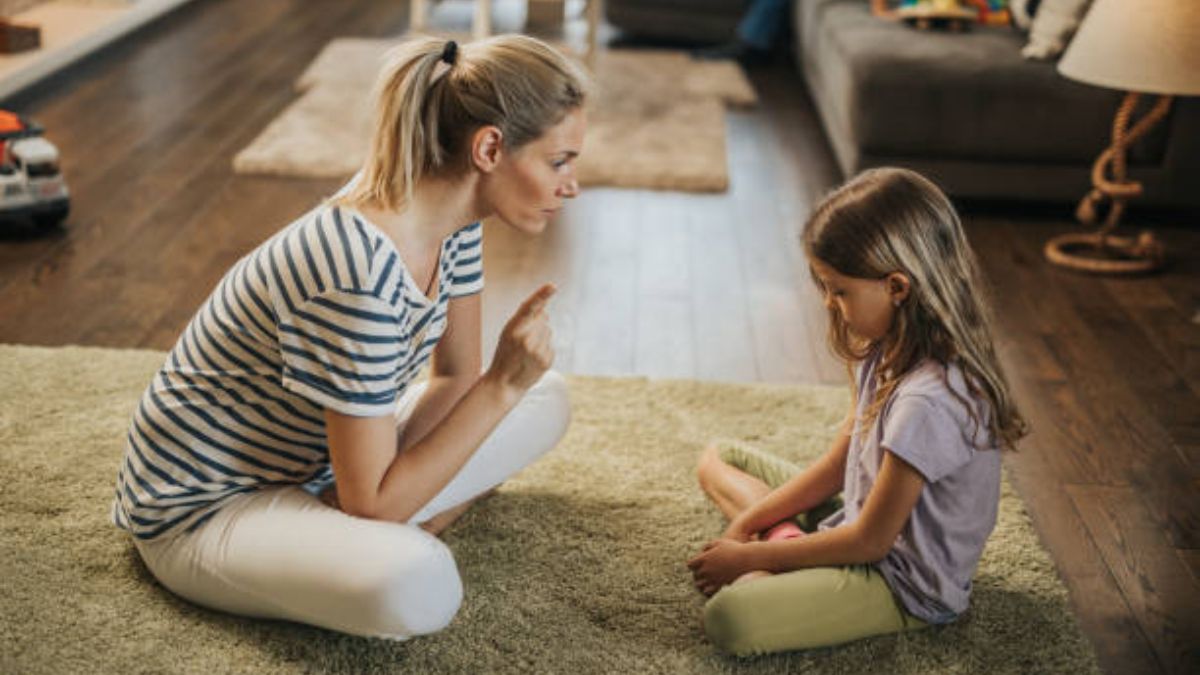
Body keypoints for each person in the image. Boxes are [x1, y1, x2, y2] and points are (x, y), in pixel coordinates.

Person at [111, 34, 589, 639]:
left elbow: (454, 377)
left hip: (320, 469)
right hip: (205, 507)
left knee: (548, 396)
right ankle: (400, 529)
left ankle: (377, 523)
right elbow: (378, 500)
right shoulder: (356, 271)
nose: (571, 184)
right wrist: (500, 388)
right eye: (560, 161)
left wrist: (496, 391)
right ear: (490, 148)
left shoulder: (454, 223)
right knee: (421, 585)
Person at [686, 167, 1028, 655]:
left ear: (897, 287)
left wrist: (751, 559)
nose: (828, 303)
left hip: (901, 584)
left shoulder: (928, 401)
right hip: (859, 520)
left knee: (729, 619)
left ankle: (779, 556)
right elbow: (837, 465)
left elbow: (871, 543)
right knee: (720, 457)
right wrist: (744, 534)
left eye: (838, 290)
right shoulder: (886, 349)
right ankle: (782, 542)